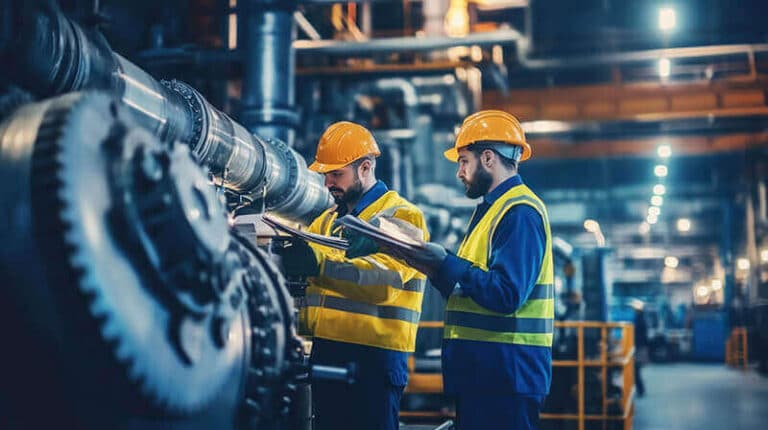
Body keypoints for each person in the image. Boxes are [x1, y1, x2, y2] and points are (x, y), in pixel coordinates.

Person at [378, 110, 554, 430]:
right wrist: (432, 266)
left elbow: (506, 294)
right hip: (487, 374)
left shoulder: (519, 212)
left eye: (463, 161)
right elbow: (471, 288)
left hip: (505, 377)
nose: (459, 172)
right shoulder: (492, 210)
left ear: (488, 158)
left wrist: (446, 262)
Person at [274, 121, 429, 430]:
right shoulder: (327, 220)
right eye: (326, 175)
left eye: (336, 174)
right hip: (326, 353)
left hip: (374, 360)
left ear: (365, 168)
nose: (328, 182)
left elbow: (386, 283)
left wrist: (319, 264)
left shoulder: (401, 215)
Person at [630, 299, 648, 397]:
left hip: (638, 347)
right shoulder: (640, 318)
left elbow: (637, 334)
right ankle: (640, 389)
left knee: (635, 369)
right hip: (639, 347)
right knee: (636, 370)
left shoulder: (638, 319)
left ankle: (640, 389)